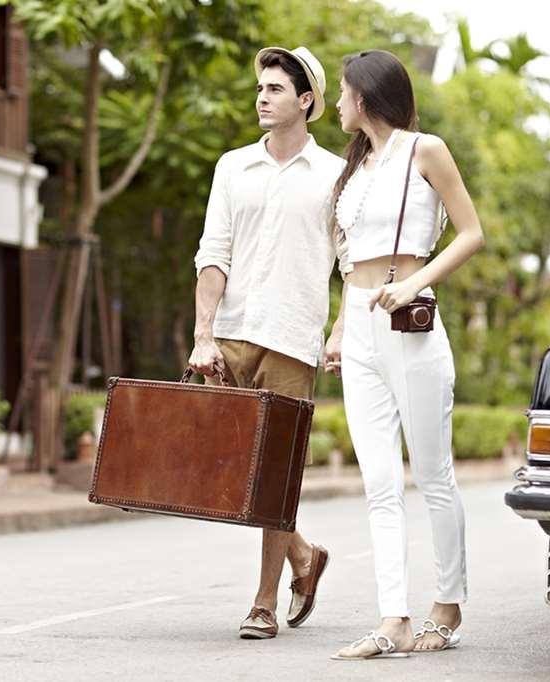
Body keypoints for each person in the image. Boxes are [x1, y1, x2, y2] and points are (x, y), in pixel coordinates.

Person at [324, 49, 484, 660]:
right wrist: (341, 329)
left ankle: (448, 604)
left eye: (342, 94)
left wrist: (416, 283)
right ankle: (393, 617)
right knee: (379, 482)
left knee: (433, 474)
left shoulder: (426, 151)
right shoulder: (357, 167)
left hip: (410, 322)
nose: (336, 105)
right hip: (362, 324)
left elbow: (471, 232)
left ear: (364, 97)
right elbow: (350, 263)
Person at [189, 45, 348, 640]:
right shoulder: (232, 166)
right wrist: (203, 333)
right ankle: (304, 556)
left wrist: (338, 331)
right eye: (260, 88)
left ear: (306, 101)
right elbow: (214, 253)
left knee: (277, 472)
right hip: (231, 334)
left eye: (275, 89)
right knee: (226, 467)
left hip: (291, 338)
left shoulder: (336, 175)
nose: (261, 97)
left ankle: (263, 603)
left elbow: (353, 263)